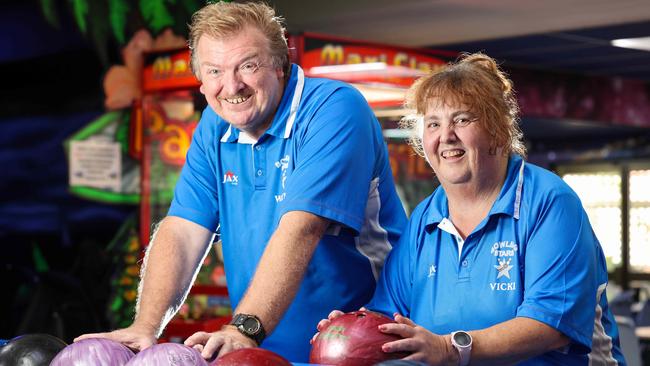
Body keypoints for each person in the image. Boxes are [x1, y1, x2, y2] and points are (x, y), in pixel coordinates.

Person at [76, 1, 407, 362]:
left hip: (361, 347)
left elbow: (302, 228)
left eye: (248, 66)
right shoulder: (214, 127)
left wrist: (243, 328)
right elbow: (183, 231)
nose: (231, 85)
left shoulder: (333, 109)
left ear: (281, 64)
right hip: (261, 350)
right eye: (214, 70)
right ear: (201, 80)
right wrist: (145, 327)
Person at [315, 53, 626, 365]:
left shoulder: (550, 202)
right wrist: (354, 329)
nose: (446, 135)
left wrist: (451, 348)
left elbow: (550, 326)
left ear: (498, 130)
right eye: (433, 123)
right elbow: (390, 315)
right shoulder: (426, 216)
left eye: (462, 120)